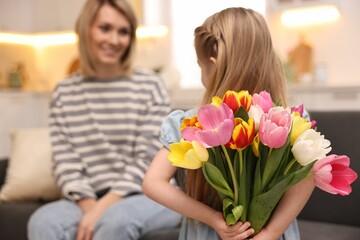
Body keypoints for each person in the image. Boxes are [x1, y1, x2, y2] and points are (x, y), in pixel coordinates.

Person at [142, 7, 314, 240]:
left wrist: (214, 219)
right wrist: (271, 233)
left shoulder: (190, 124)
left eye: (200, 66)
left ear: (213, 66)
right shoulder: (288, 122)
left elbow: (152, 183)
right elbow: (308, 177)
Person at [27, 0, 181, 239]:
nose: (114, 40)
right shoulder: (64, 92)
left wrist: (104, 206)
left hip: (147, 195)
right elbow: (64, 161)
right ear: (86, 29)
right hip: (84, 199)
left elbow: (148, 159)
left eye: (124, 32)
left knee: (115, 222)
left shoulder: (151, 86)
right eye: (105, 28)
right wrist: (90, 205)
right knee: (43, 222)